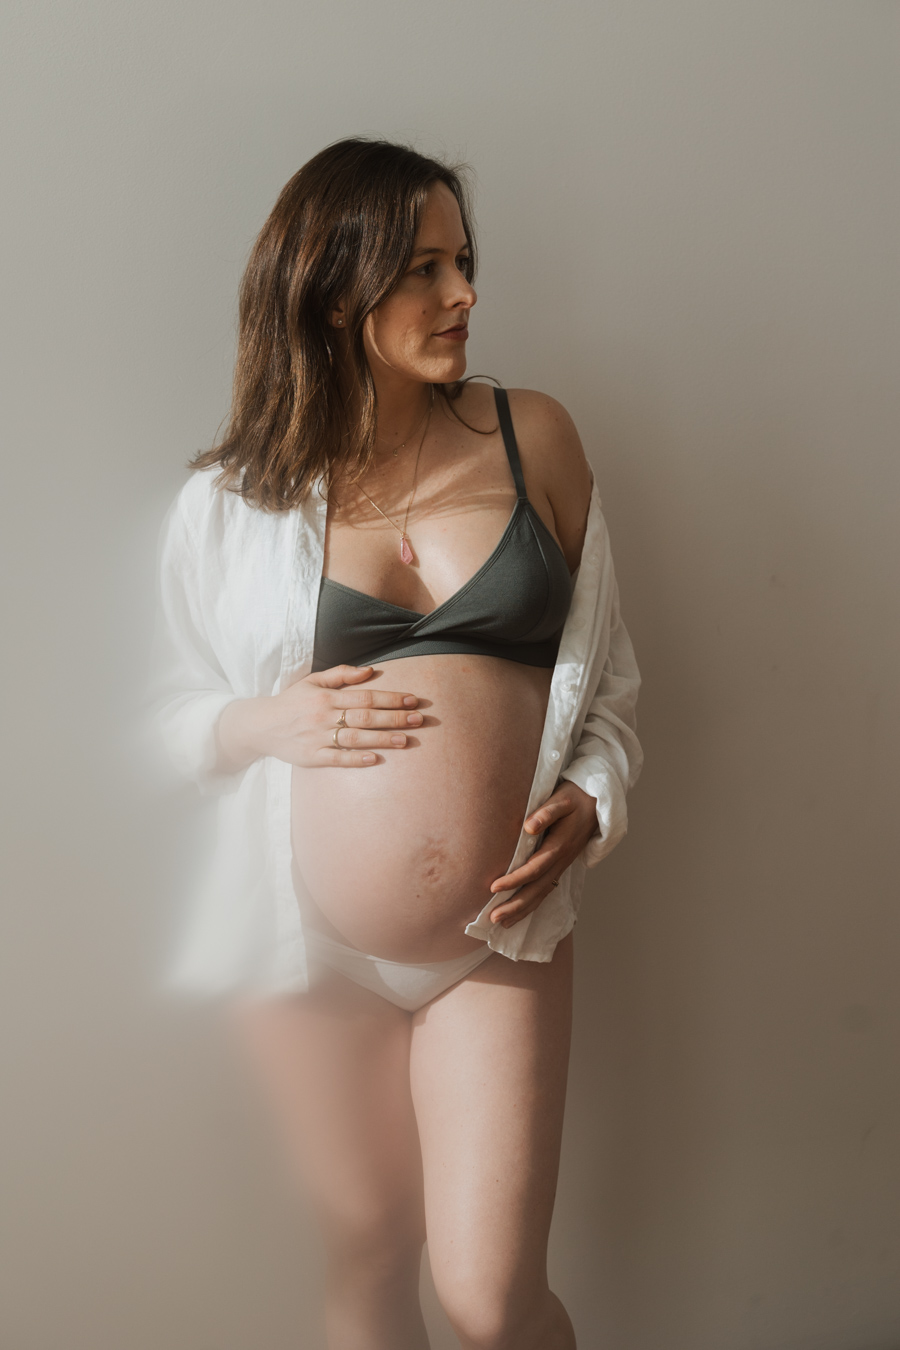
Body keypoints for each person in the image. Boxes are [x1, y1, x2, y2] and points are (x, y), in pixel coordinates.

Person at [151, 137, 642, 1350]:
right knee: (370, 1254)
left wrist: (595, 791)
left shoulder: (536, 438)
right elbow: (161, 726)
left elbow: (610, 679)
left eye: (463, 261)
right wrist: (262, 721)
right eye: (424, 269)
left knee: (491, 1300)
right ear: (334, 290)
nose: (464, 293)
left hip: (498, 932)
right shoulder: (231, 503)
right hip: (302, 945)